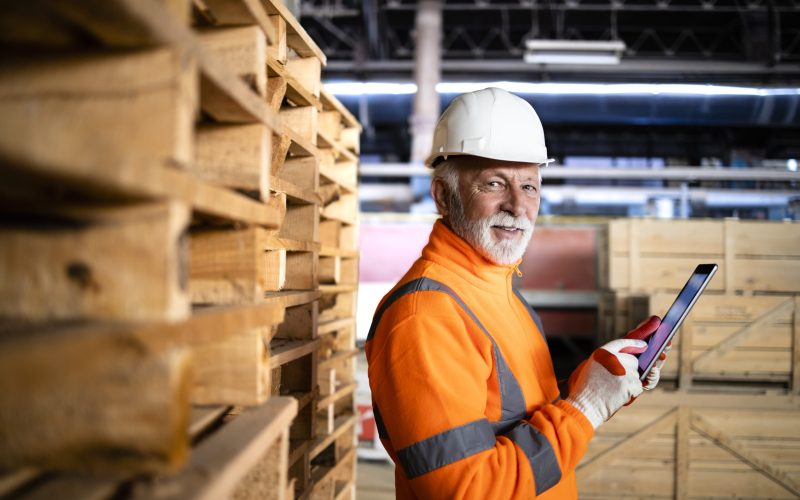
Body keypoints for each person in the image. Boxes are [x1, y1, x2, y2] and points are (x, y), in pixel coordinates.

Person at [365, 87, 667, 499]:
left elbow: (519, 413)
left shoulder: (502, 292)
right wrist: (586, 409)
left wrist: (597, 383)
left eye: (529, 186)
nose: (517, 206)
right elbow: (467, 490)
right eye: (493, 183)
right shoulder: (427, 316)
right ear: (443, 197)